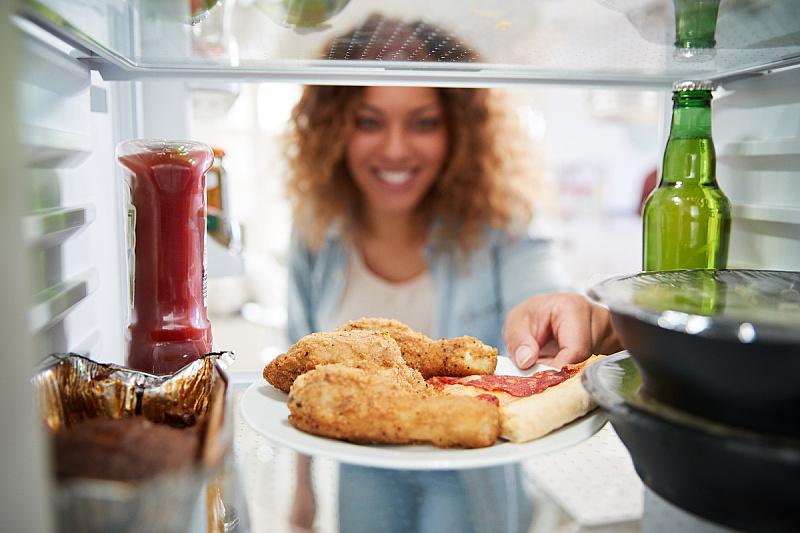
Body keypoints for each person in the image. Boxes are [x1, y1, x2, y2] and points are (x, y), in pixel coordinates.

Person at [282, 15, 622, 533]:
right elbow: (299, 372)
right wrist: (302, 490)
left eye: (423, 121)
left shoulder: (499, 225)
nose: (396, 149)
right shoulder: (315, 234)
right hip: (361, 460)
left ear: (458, 128)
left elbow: (542, 289)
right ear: (335, 128)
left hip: (471, 468)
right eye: (370, 120)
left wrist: (560, 311)